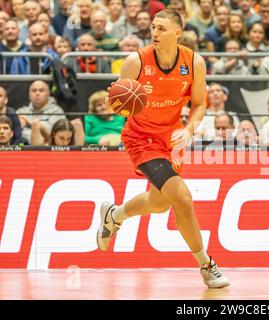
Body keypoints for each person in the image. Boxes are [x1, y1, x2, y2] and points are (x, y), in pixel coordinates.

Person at [98, 9, 229, 288]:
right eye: (153, 28)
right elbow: (120, 109)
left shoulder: (194, 62)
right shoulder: (136, 61)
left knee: (159, 203)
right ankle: (207, 265)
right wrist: (117, 102)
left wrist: (189, 128)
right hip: (140, 137)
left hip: (171, 138)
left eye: (162, 29)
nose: (154, 33)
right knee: (181, 197)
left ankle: (115, 214)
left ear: (178, 32)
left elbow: (200, 104)